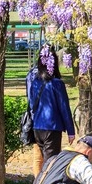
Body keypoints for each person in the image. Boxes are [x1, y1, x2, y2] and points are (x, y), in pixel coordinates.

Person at [28, 47, 75, 177]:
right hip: (52, 128)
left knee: (45, 164)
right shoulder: (57, 84)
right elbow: (64, 108)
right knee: (51, 165)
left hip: (37, 127)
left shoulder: (35, 82)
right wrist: (71, 131)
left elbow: (32, 104)